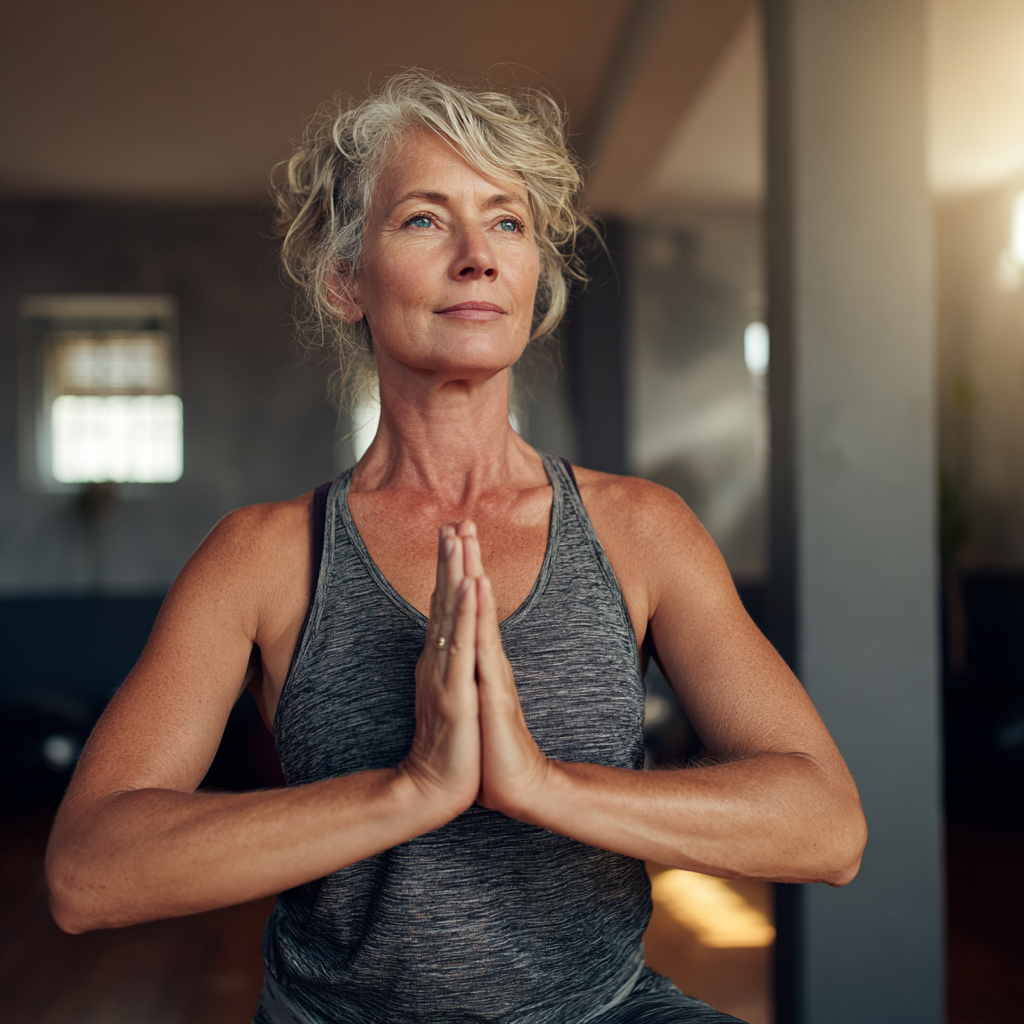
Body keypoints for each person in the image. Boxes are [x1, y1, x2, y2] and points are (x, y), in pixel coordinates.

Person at [45, 71, 867, 1024]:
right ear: (345, 279)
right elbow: (89, 872)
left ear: (533, 280)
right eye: (427, 221)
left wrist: (542, 785)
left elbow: (827, 827)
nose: (478, 256)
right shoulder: (263, 558)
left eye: (508, 222)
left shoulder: (641, 531)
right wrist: (411, 789)